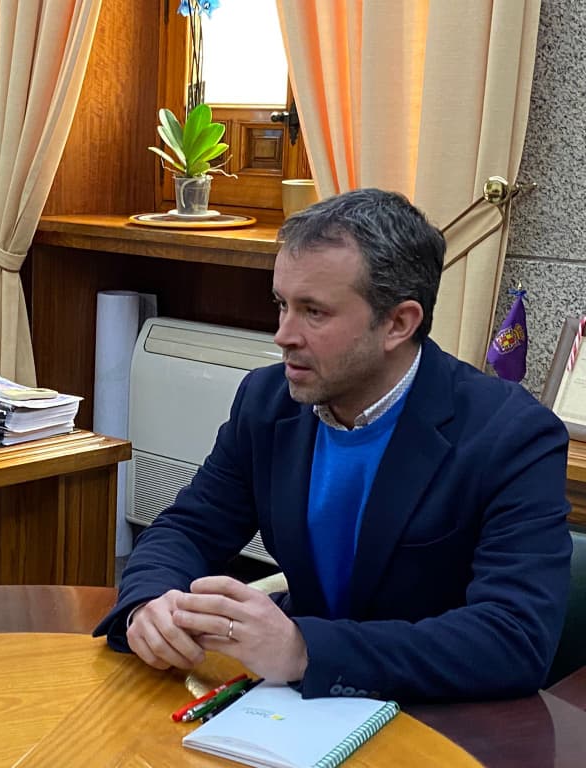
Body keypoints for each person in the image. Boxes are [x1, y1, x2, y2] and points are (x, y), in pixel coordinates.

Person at [95, 188, 572, 702]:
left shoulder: (513, 436)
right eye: (281, 304)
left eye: (313, 312)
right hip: (293, 715)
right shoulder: (267, 400)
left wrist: (306, 650)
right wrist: (148, 604)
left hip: (441, 719)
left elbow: (514, 639)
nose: (282, 335)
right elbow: (188, 529)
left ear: (398, 323)